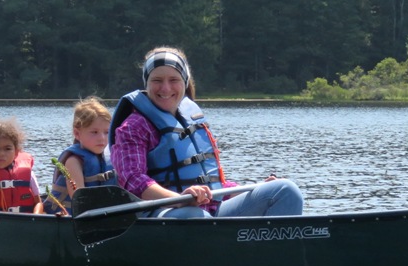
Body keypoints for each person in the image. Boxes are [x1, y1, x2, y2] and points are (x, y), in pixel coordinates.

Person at [109, 46, 304, 218]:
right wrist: (180, 199)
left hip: (209, 213)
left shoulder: (191, 120)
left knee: (285, 189)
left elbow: (215, 185)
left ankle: (269, 256)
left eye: (173, 79)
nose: (165, 87)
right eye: (157, 80)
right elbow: (132, 180)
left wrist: (257, 188)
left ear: (184, 82)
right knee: (194, 214)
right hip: (166, 215)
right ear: (147, 83)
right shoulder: (132, 127)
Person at [44, 97, 116, 215]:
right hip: (70, 216)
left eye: (106, 132)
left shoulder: (107, 157)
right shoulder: (73, 161)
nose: (102, 138)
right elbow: (79, 199)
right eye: (94, 132)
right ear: (77, 133)